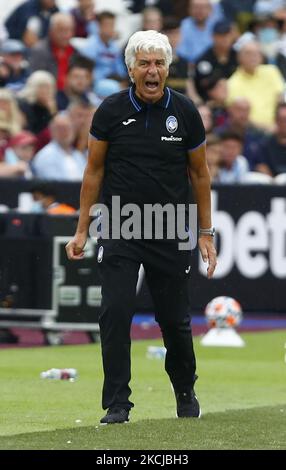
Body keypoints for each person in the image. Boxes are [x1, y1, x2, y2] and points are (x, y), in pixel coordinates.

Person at [66, 30, 217, 424]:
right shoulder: (110, 111)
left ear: (168, 69)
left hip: (169, 228)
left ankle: (185, 389)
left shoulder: (184, 112)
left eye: (160, 63)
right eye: (145, 63)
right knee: (115, 311)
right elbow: (93, 171)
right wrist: (82, 229)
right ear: (131, 69)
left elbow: (200, 175)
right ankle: (118, 403)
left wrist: (205, 233)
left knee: (174, 320)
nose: (153, 70)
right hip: (118, 224)